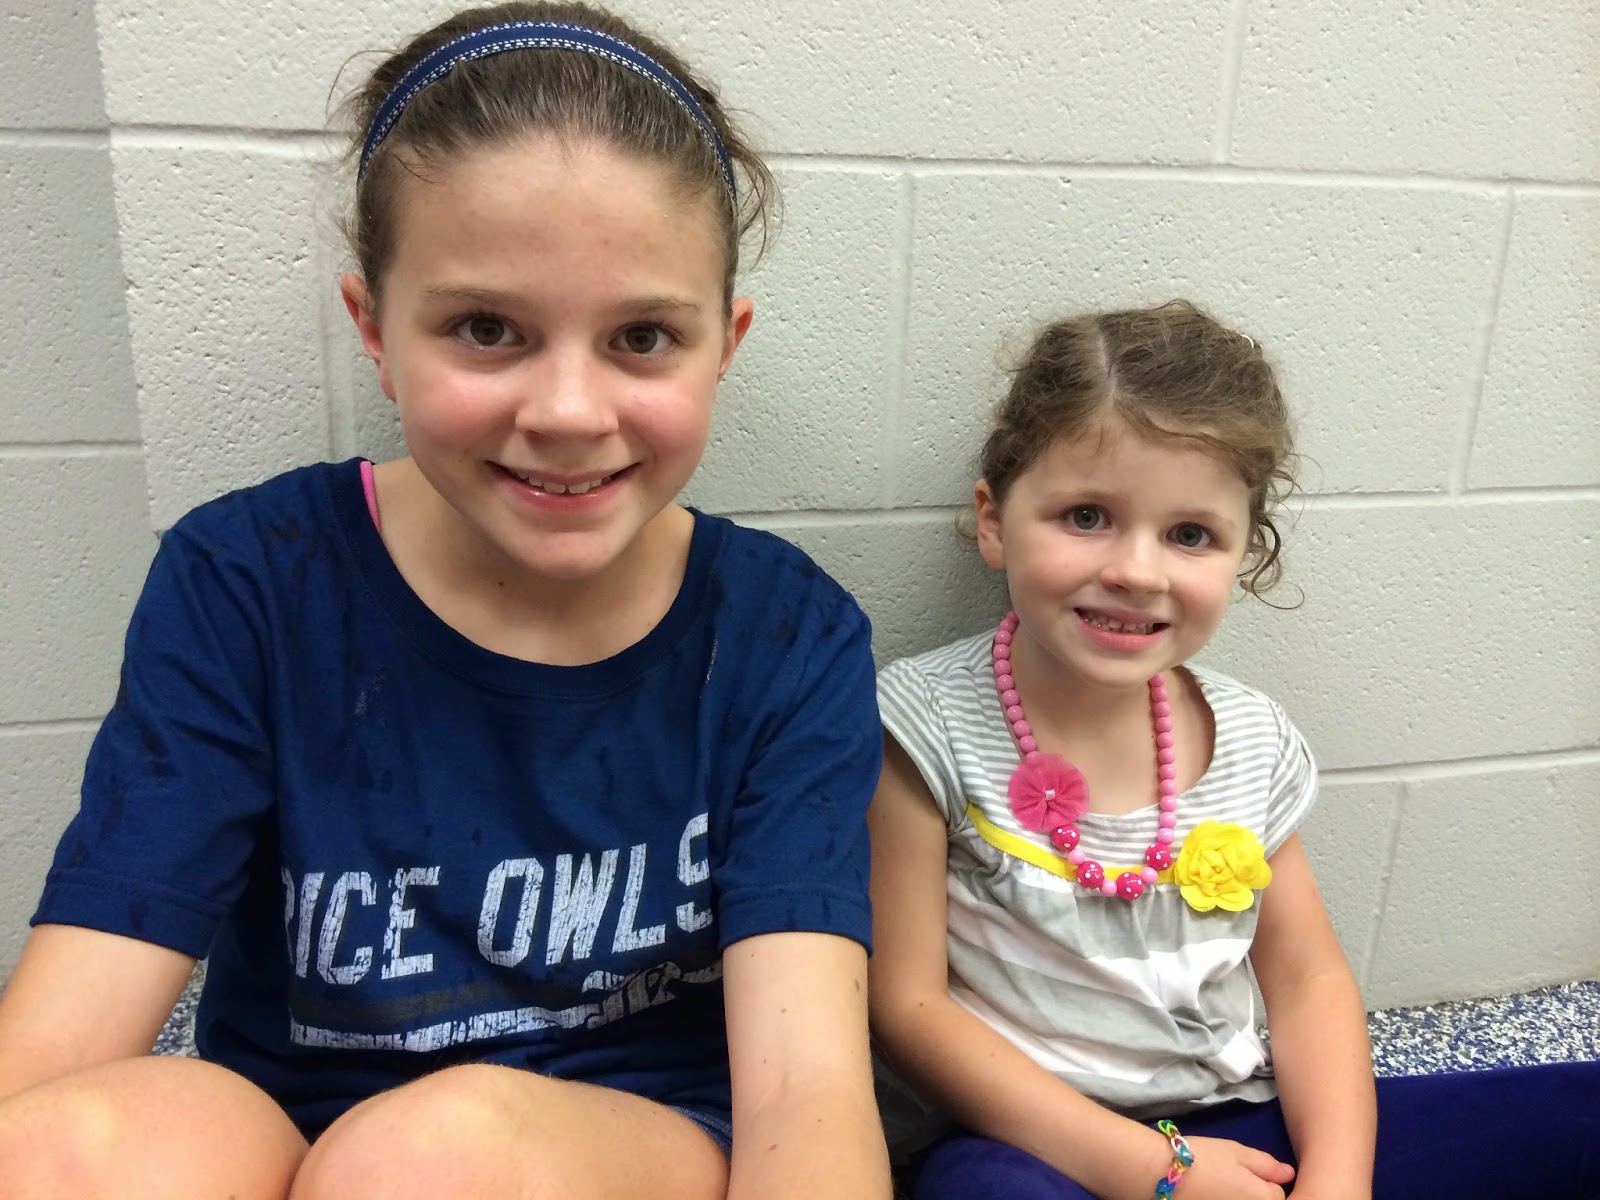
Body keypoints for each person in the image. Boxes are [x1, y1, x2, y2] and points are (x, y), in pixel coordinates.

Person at [0, 5, 890, 1198]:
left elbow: (805, 1093)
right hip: (292, 1136)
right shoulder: (250, 580)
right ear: (373, 327)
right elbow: (64, 1033)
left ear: (720, 345)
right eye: (485, 329)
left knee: (434, 1158)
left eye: (641, 336)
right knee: (78, 1148)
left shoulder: (782, 634)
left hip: (634, 1140)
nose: (568, 412)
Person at [866, 300, 1600, 1200]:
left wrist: (1335, 1183)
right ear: (993, 520)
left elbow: (1307, 980)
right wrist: (1160, 1171)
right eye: (1087, 515)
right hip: (1032, 1145)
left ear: (1243, 553)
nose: (1137, 571)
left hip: (1233, 1123)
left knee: (1580, 1114)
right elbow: (908, 1009)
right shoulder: (924, 723)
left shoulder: (1252, 739)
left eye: (1190, 535)